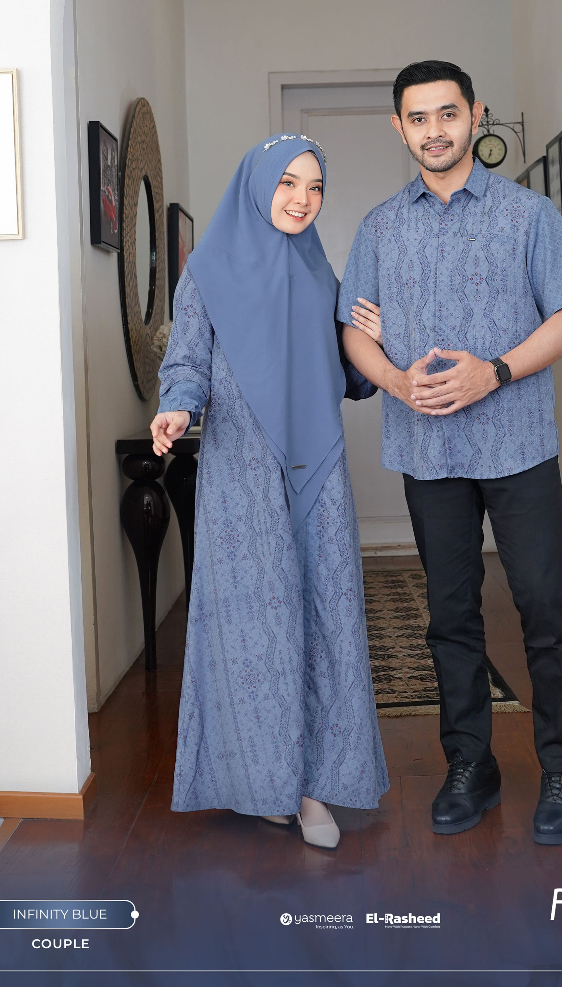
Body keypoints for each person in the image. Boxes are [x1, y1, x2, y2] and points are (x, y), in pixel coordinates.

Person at [339, 61, 562, 845]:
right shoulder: (379, 228)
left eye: (448, 114)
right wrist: (394, 380)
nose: (435, 130)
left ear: (475, 115)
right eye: (418, 118)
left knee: (544, 609)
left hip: (519, 446)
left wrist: (497, 372)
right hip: (429, 453)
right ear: (399, 128)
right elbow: (354, 331)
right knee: (450, 616)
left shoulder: (528, 215)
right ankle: (470, 766)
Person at [150, 135, 389, 850]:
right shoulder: (207, 270)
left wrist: (372, 343)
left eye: (315, 187)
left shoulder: (319, 271)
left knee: (324, 617)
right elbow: (188, 359)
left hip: (316, 466)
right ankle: (263, 784)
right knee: (253, 625)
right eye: (288, 182)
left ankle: (313, 789)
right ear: (258, 185)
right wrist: (177, 408)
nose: (302, 199)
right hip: (241, 468)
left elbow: (347, 376)